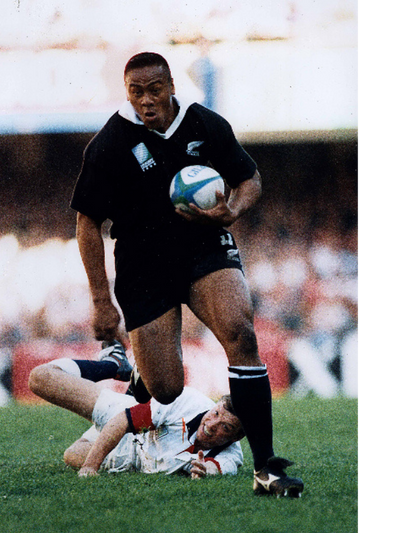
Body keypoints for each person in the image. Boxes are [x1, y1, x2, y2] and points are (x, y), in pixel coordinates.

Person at [70, 52, 303, 497]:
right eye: (136, 92)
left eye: (154, 90)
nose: (146, 100)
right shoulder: (109, 143)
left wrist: (232, 209)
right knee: (166, 388)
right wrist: (101, 301)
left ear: (171, 86)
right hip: (142, 265)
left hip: (203, 247)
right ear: (127, 93)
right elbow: (87, 223)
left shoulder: (205, 124)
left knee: (241, 334)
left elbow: (249, 179)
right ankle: (139, 378)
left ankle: (266, 469)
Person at [28, 341, 244, 478]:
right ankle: (113, 365)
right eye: (216, 414)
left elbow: (218, 468)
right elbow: (123, 420)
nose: (212, 425)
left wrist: (205, 471)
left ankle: (136, 390)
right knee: (40, 378)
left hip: (133, 456)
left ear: (235, 438)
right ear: (214, 405)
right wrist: (90, 467)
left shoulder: (231, 456)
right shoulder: (187, 402)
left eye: (225, 427)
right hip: (123, 416)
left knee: (71, 454)